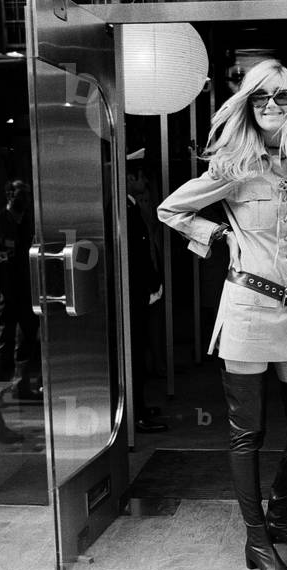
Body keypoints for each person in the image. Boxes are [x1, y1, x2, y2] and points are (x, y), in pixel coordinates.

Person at [157, 59, 287, 570]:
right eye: (260, 99)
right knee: (246, 433)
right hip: (249, 310)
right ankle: (255, 537)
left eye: (281, 97)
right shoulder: (235, 164)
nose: (272, 106)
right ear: (248, 107)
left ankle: (279, 516)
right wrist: (219, 238)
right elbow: (170, 209)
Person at [0, 179, 41, 401]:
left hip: (27, 291)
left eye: (26, 193)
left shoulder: (29, 224)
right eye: (20, 193)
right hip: (5, 292)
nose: (24, 198)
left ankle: (21, 386)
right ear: (9, 195)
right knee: (4, 341)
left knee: (26, 340)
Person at [126, 149, 167, 433]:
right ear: (130, 177)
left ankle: (138, 406)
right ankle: (135, 412)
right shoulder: (125, 210)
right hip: (134, 291)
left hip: (136, 289)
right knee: (134, 354)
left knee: (137, 351)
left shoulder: (130, 207)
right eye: (142, 177)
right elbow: (137, 256)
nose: (147, 184)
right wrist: (152, 282)